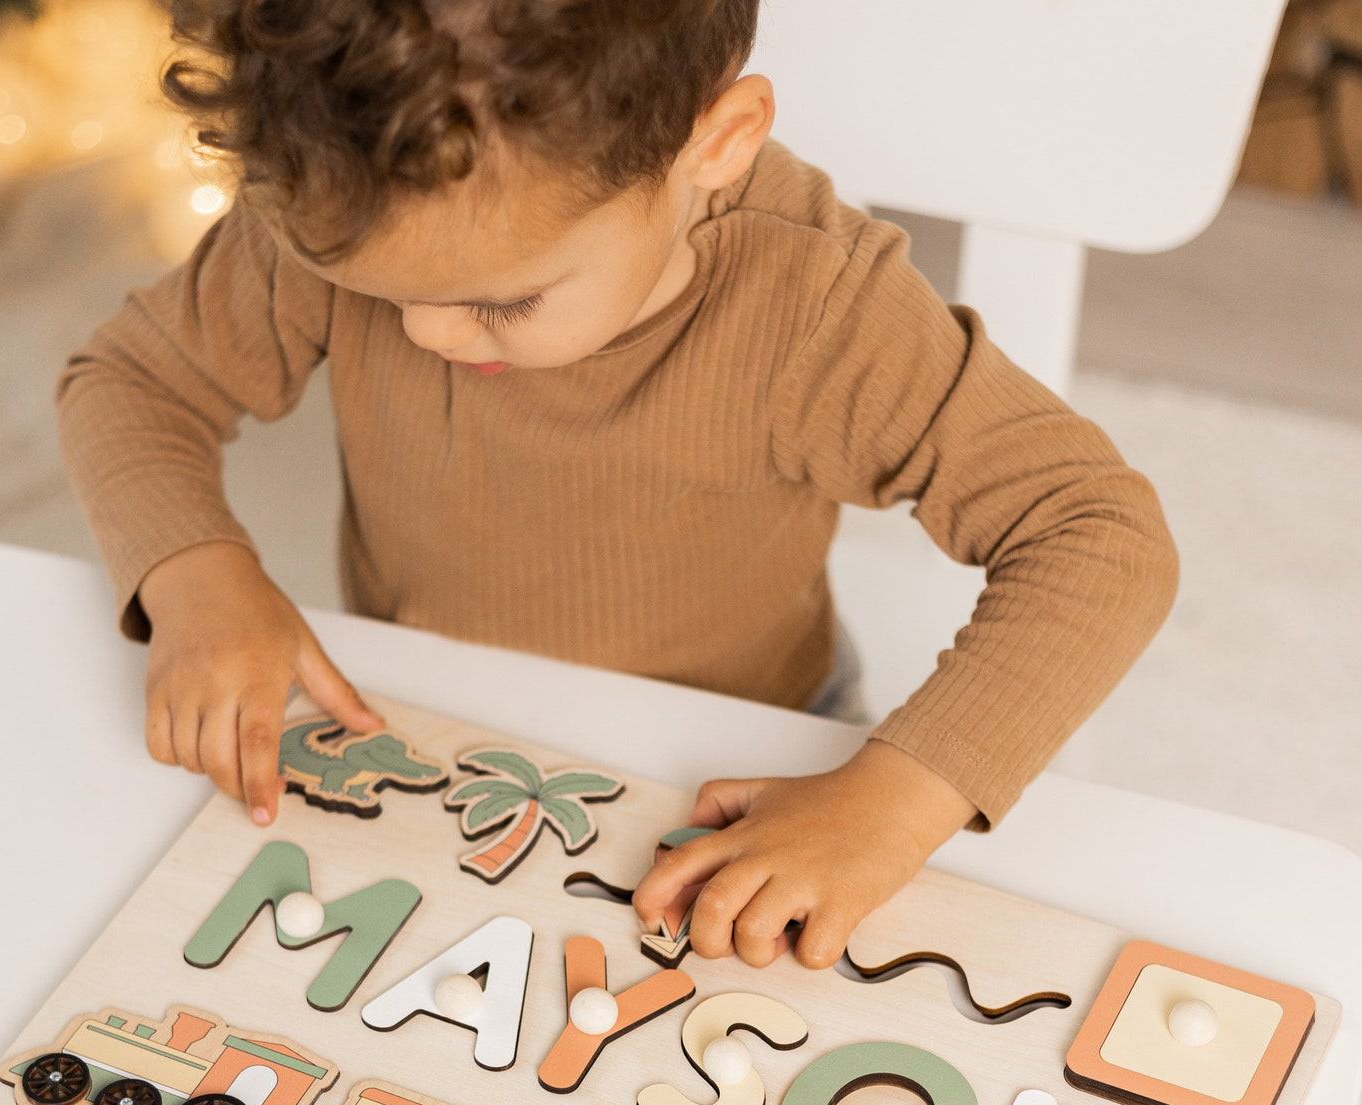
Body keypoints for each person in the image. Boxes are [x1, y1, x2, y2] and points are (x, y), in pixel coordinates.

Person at [57, 0, 1176, 971]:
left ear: (715, 146)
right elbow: (130, 382)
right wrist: (195, 573)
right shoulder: (347, 199)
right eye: (365, 288)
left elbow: (1097, 533)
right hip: (429, 719)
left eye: (502, 303)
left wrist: (894, 802)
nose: (427, 333)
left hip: (744, 758)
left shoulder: (816, 309)